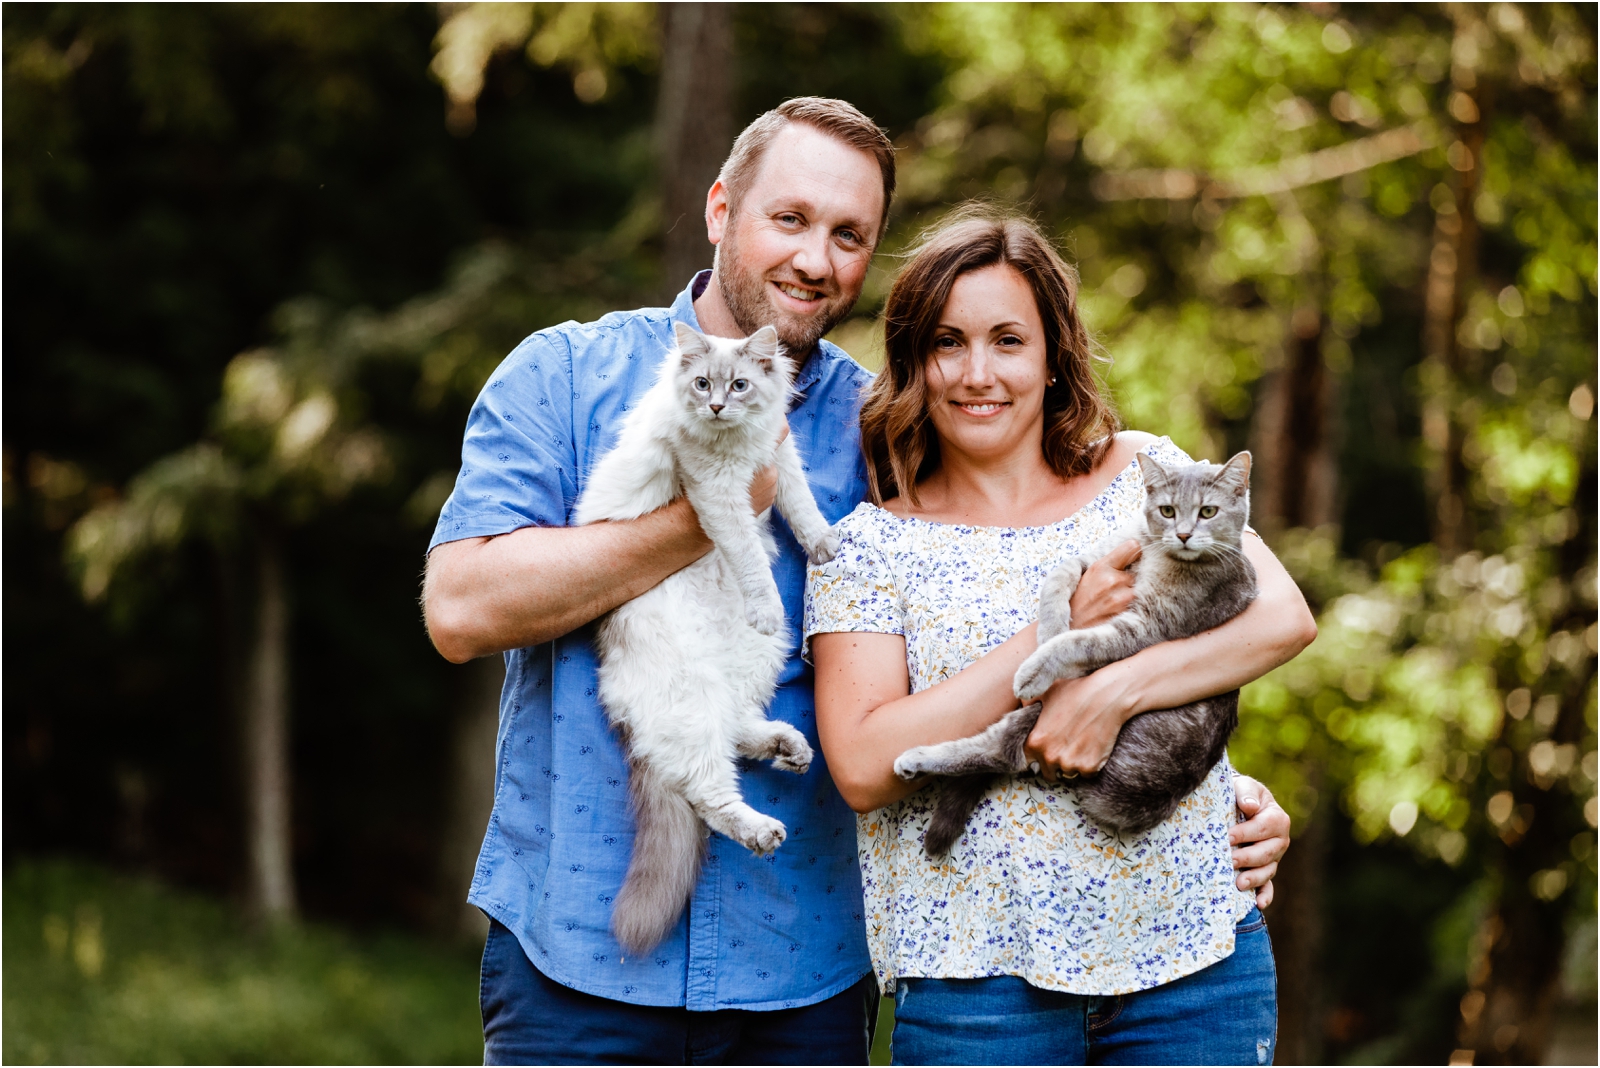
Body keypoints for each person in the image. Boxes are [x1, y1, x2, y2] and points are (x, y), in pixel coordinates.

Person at [424, 99, 1292, 1066]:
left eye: (849, 237)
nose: (815, 259)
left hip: (801, 972)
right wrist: (708, 508)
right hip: (577, 956)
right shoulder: (566, 375)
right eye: (789, 219)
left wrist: (1195, 771)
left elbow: (995, 588)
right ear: (720, 210)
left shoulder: (879, 430)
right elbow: (463, 610)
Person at [806, 210, 1317, 1066]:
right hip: (977, 987)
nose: (978, 373)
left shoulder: (1139, 476)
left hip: (1194, 968)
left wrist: (1113, 689)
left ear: (1052, 358)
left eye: (1008, 340)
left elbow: (1280, 617)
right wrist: (1051, 648)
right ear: (914, 362)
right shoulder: (869, 545)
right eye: (947, 343)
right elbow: (862, 763)